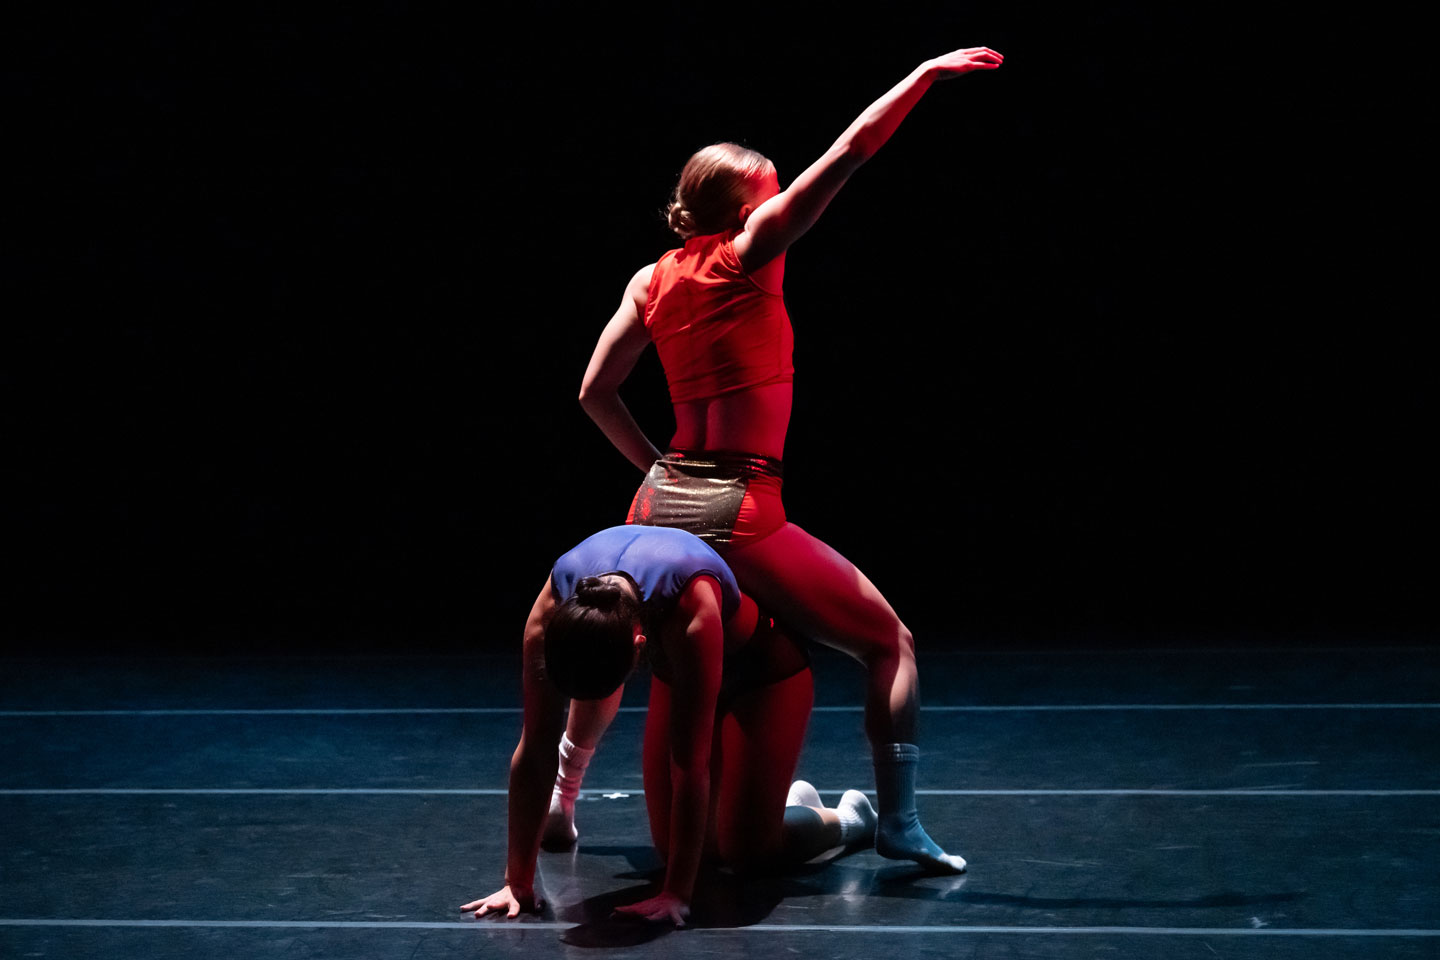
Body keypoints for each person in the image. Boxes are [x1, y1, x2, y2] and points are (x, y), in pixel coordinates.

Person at [558, 45, 1004, 874]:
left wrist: (659, 465)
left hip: (654, 505)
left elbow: (594, 391)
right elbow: (851, 152)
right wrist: (925, 76)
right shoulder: (750, 249)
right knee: (889, 643)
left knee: (618, 633)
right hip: (742, 508)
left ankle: (565, 797)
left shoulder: (648, 281)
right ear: (742, 209)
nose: (787, 199)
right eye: (772, 192)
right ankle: (898, 822)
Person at [460, 525, 878, 928]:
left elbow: (690, 766)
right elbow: (535, 748)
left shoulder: (689, 608)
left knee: (747, 854)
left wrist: (676, 893)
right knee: (676, 848)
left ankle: (848, 819)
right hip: (680, 670)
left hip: (764, 673)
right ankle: (782, 805)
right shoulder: (552, 608)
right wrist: (518, 882)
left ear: (639, 645)